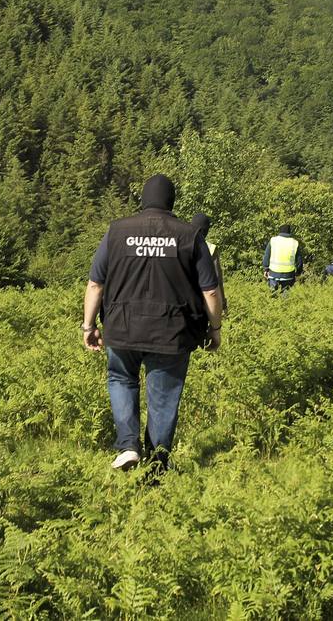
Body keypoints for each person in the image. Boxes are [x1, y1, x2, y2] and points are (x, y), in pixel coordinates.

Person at [83, 175, 223, 472]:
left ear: (143, 200)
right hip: (172, 332)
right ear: (172, 202)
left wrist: (89, 326)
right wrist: (215, 329)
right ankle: (157, 464)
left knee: (122, 380)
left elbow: (96, 283)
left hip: (121, 327)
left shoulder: (117, 231)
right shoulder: (189, 235)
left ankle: (129, 446)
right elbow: (210, 290)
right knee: (163, 396)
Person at [190, 212, 227, 313]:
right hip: (205, 301)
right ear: (206, 230)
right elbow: (218, 279)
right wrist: (222, 303)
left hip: (185, 301)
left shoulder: (180, 243)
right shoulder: (211, 248)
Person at [263, 224, 303, 294]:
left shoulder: (273, 240)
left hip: (273, 273)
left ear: (280, 231)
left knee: (272, 295)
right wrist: (298, 273)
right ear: (289, 232)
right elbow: (299, 261)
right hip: (288, 275)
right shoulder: (295, 243)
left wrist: (266, 269)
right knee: (285, 296)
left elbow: (267, 255)